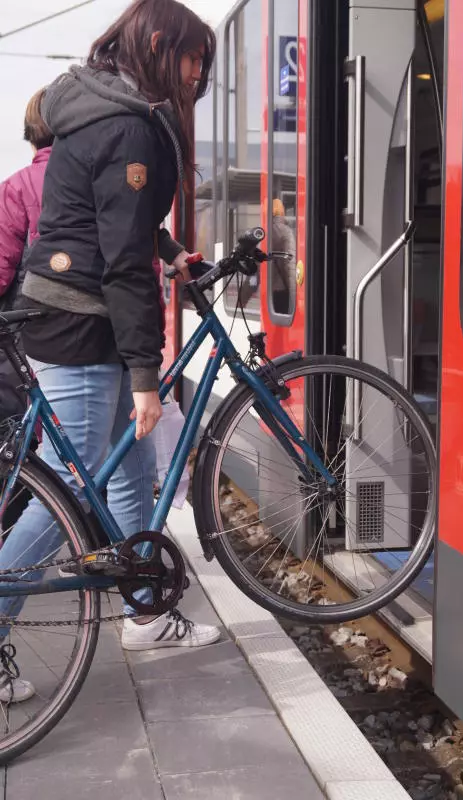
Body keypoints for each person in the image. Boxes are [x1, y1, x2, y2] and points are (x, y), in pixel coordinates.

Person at [0, 0, 220, 702]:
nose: (197, 73)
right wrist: (146, 375)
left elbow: (115, 219)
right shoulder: (127, 125)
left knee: (127, 475)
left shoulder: (104, 107)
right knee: (72, 486)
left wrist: (171, 250)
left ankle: (145, 614)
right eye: (192, 57)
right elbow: (122, 260)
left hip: (80, 316)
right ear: (157, 45)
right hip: (80, 324)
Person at [0, 89, 53, 532]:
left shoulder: (16, 187)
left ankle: (14, 542)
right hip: (80, 340)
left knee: (16, 443)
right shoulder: (94, 182)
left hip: (19, 342)